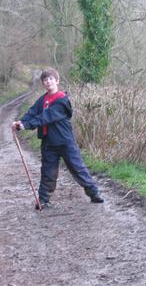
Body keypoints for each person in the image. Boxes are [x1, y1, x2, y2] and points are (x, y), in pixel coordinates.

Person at [12, 68, 104, 210]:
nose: (48, 82)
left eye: (51, 79)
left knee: (78, 168)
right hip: (48, 142)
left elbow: (46, 117)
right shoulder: (42, 100)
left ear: (57, 81)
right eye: (45, 80)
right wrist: (20, 122)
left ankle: (94, 193)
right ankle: (43, 200)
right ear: (43, 83)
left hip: (65, 141)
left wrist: (26, 125)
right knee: (47, 172)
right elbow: (32, 112)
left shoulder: (62, 100)